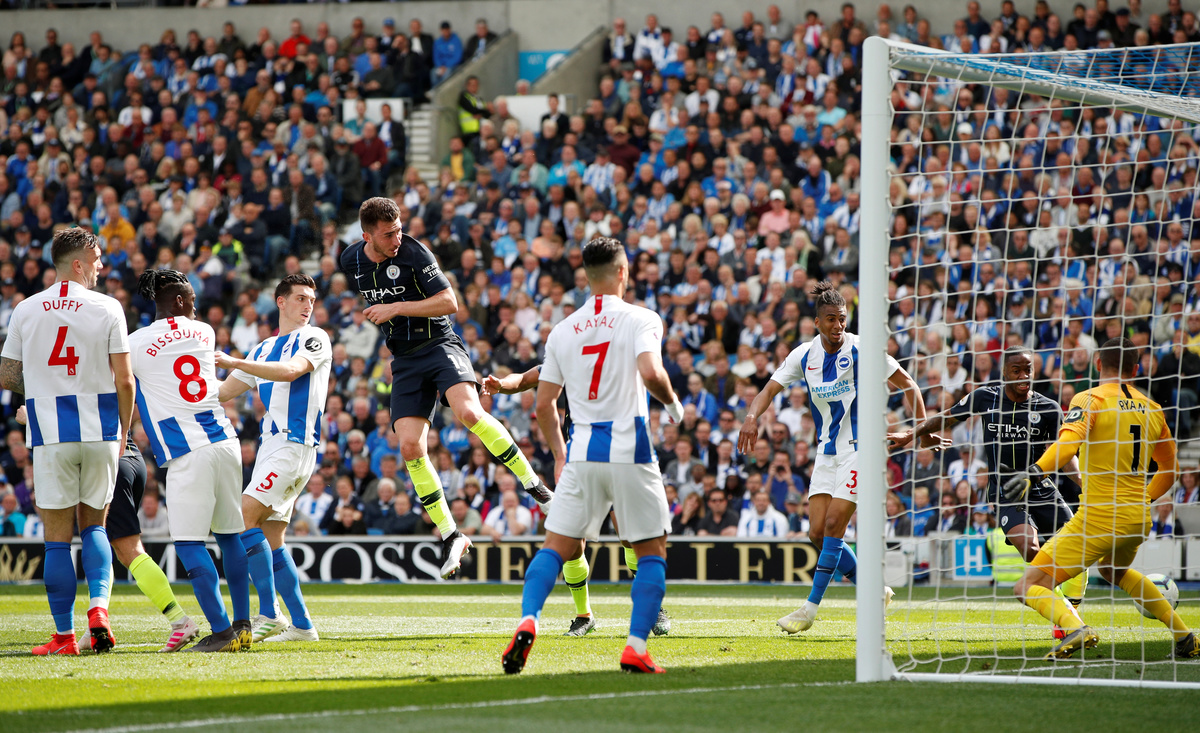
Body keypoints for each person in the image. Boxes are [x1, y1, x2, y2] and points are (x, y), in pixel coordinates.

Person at [339, 197, 551, 581]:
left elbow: (450, 302)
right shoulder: (350, 260)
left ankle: (535, 487)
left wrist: (397, 307)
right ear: (367, 236)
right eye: (388, 234)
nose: (397, 238)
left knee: (469, 413)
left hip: (439, 346)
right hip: (404, 360)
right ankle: (452, 534)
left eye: (399, 229)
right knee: (409, 447)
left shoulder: (415, 252)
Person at [501, 236, 683, 675]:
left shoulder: (562, 331)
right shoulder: (642, 318)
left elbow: (544, 405)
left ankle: (529, 620)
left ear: (586, 276)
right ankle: (635, 647)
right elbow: (651, 372)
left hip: (582, 452)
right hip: (631, 448)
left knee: (556, 548)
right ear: (623, 272)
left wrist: (560, 454)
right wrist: (674, 404)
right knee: (651, 550)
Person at [738, 280, 931, 634]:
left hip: (861, 449)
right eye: (830, 319)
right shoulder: (804, 355)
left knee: (833, 527)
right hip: (827, 452)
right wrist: (751, 417)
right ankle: (875, 592)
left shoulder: (862, 349)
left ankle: (809, 610)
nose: (838, 325)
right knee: (816, 532)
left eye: (842, 318)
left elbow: (909, 384)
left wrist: (920, 428)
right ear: (817, 322)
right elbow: (768, 389)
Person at [1005, 338, 1199, 660]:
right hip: (1137, 519)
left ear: (1098, 364)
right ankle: (1185, 636)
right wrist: (1143, 499)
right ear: (1135, 369)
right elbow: (1171, 470)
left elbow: (1068, 444)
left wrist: (1035, 472)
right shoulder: (1153, 408)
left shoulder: (1090, 399)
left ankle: (1076, 628)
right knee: (1112, 570)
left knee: (1025, 587)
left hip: (1098, 518)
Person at [0, 227, 135, 656]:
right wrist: (124, 431)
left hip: (51, 433)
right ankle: (99, 611)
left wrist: (40, 391)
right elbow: (125, 380)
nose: (101, 266)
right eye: (96, 259)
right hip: (100, 430)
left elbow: (7, 375)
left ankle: (63, 637)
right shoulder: (108, 307)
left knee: (57, 538)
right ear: (77, 264)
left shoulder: (25, 309)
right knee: (94, 525)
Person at [905, 346, 1087, 636]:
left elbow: (1063, 454)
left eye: (1028, 370)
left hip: (1041, 488)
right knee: (1031, 548)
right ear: (1004, 372)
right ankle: (1067, 614)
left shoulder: (1048, 408)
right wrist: (913, 434)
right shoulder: (985, 397)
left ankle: (1071, 607)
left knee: (1079, 549)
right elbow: (947, 416)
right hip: (1006, 493)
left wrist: (1085, 483)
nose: (1023, 376)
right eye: (1017, 370)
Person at [483, 365, 673, 638]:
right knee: (571, 542)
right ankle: (584, 615)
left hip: (620, 457)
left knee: (630, 535)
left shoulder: (619, 357)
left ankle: (652, 606)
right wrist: (502, 384)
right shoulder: (568, 357)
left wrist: (671, 404)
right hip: (578, 461)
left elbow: (652, 374)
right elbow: (525, 379)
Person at [129, 269, 250, 652]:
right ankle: (243, 624)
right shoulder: (204, 332)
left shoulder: (135, 343)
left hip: (187, 450)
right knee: (230, 535)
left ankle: (221, 632)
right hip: (224, 441)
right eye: (192, 300)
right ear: (179, 300)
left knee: (188, 543)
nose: (196, 307)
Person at [217, 273, 331, 644]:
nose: (308, 305)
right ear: (280, 302)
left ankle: (269, 612)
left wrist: (235, 360)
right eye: (300, 298)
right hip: (272, 447)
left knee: (243, 516)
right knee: (271, 536)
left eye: (311, 299)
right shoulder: (263, 348)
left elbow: (292, 371)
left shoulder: (315, 338)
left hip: (293, 445)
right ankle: (303, 626)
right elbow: (223, 392)